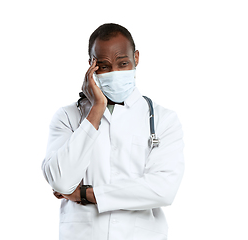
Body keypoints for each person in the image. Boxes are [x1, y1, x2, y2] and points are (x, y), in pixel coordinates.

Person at [41, 23, 184, 240]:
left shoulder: (164, 119)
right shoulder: (68, 117)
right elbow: (61, 181)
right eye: (104, 66)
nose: (115, 72)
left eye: (123, 63)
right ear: (91, 65)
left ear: (136, 58)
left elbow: (163, 189)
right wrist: (96, 110)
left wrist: (86, 194)